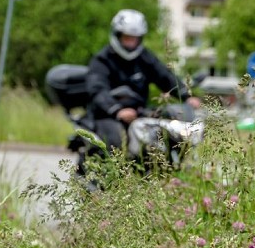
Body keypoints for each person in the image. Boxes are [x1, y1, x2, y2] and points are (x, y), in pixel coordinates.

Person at [79, 9, 200, 176]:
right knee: (115, 143)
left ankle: (165, 174)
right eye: (127, 38)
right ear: (117, 35)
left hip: (139, 112)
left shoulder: (144, 57)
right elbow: (97, 89)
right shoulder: (102, 60)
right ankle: (106, 182)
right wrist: (117, 109)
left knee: (167, 133)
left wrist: (186, 96)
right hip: (107, 115)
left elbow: (165, 77)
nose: (131, 43)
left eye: (135, 39)